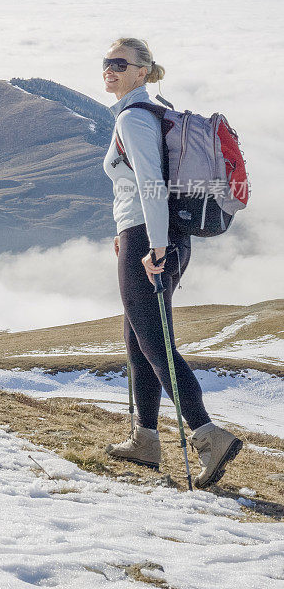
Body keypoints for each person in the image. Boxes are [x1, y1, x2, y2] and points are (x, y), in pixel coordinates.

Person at [101, 37, 242, 489]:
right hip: (146, 235)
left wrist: (153, 245)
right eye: (106, 62)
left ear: (142, 71)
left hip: (151, 238)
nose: (110, 69)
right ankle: (144, 439)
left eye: (120, 63)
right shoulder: (146, 113)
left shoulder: (135, 118)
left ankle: (207, 435)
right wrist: (128, 233)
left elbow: (151, 186)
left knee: (155, 341)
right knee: (140, 337)